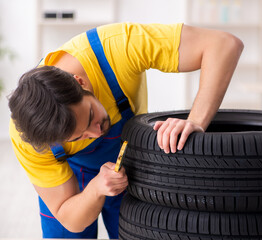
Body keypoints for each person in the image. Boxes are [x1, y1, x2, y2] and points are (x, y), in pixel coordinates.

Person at [8, 22, 243, 238]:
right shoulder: (30, 136)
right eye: (79, 137)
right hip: (67, 184)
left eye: (91, 116)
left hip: (127, 167)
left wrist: (197, 120)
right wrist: (95, 190)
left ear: (79, 82)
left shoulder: (116, 49)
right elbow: (71, 219)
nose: (96, 132)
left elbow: (224, 45)